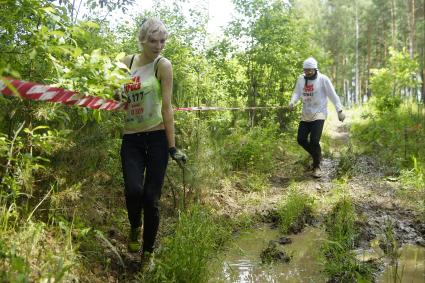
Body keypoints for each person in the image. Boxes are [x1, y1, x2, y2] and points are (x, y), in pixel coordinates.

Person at [118, 18, 187, 258]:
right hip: (132, 138)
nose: (158, 46)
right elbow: (111, 92)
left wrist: (173, 147)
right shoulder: (126, 62)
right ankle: (135, 226)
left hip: (157, 137)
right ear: (142, 40)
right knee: (133, 190)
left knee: (151, 198)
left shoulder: (163, 65)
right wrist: (115, 95)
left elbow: (167, 107)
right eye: (153, 41)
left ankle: (148, 253)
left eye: (162, 41)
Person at [289, 57, 345, 178]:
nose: (307, 72)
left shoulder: (323, 79)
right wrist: (292, 102)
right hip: (306, 113)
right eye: (305, 70)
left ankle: (317, 166)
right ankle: (318, 155)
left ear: (315, 69)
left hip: (319, 113)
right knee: (301, 139)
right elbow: (297, 92)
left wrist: (339, 110)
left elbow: (333, 95)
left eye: (309, 70)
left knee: (314, 141)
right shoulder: (301, 79)